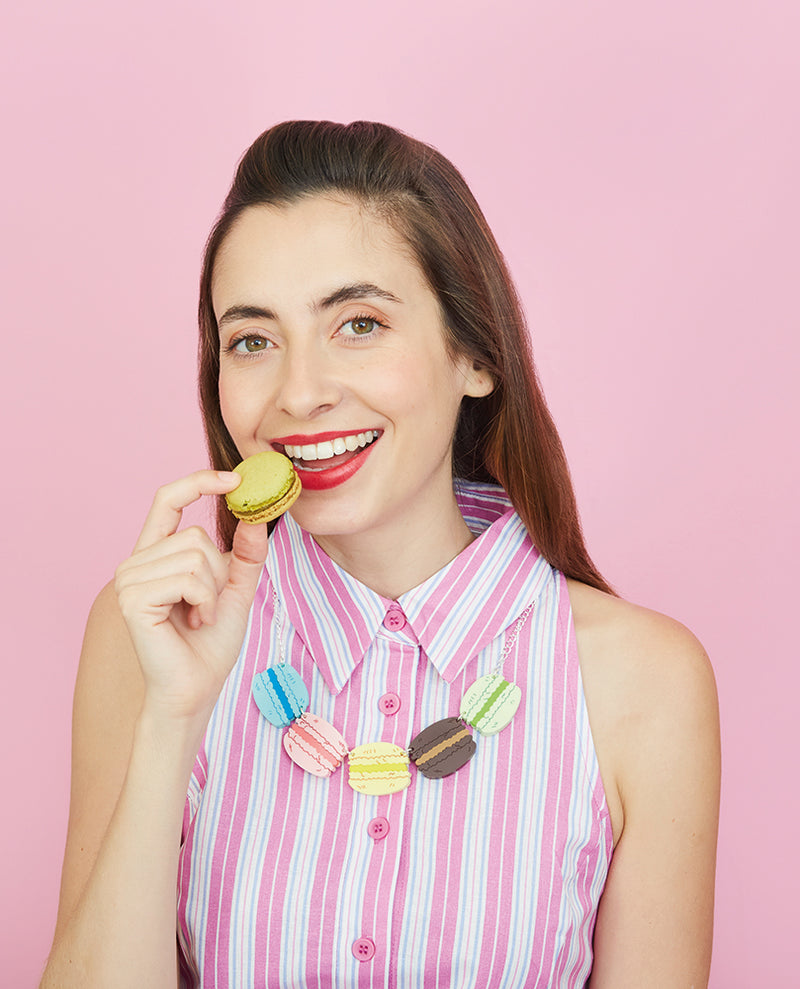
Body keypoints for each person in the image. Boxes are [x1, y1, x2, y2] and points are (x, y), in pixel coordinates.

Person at [42, 121, 720, 988]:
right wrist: (173, 718)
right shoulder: (151, 641)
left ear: (473, 353)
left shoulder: (643, 679)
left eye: (358, 324)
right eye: (252, 339)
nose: (299, 392)